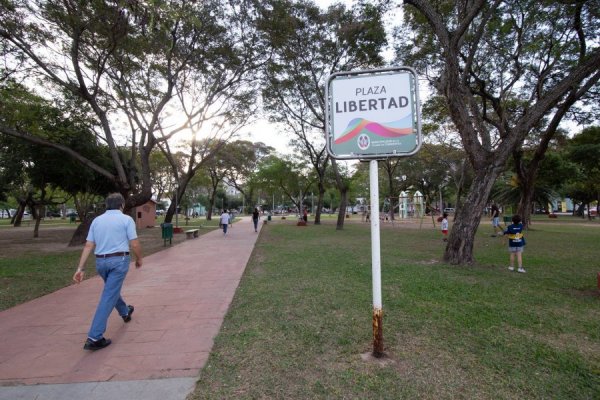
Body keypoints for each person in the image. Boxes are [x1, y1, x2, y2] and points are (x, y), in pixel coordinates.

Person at [72, 193, 143, 351]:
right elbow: (135, 243)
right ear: (122, 205)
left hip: (101, 263)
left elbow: (88, 246)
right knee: (108, 295)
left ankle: (125, 311)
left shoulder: (97, 221)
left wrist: (80, 268)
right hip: (119, 261)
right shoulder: (126, 219)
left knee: (111, 290)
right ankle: (94, 337)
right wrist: (139, 259)